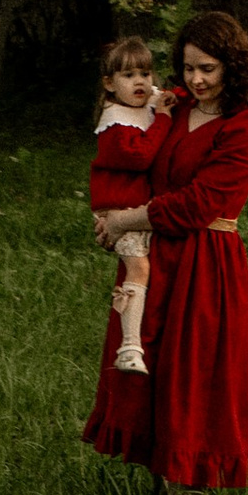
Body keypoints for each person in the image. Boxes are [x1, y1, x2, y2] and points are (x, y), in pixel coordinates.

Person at [82, 7, 248, 495]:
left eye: (208, 67)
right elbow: (128, 159)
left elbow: (199, 204)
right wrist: (110, 217)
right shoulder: (175, 108)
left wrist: (126, 219)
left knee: (196, 378)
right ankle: (157, 493)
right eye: (188, 67)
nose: (196, 78)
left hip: (207, 264)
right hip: (157, 255)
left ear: (233, 66)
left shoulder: (244, 127)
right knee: (150, 371)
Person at [88, 28, 170, 375]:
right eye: (129, 75)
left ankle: (135, 342)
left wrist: (163, 99)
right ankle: (130, 346)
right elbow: (141, 157)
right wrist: (164, 120)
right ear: (109, 83)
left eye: (145, 73)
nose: (140, 82)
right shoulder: (115, 125)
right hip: (119, 209)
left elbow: (167, 95)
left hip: (136, 209)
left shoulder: (139, 103)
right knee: (139, 269)